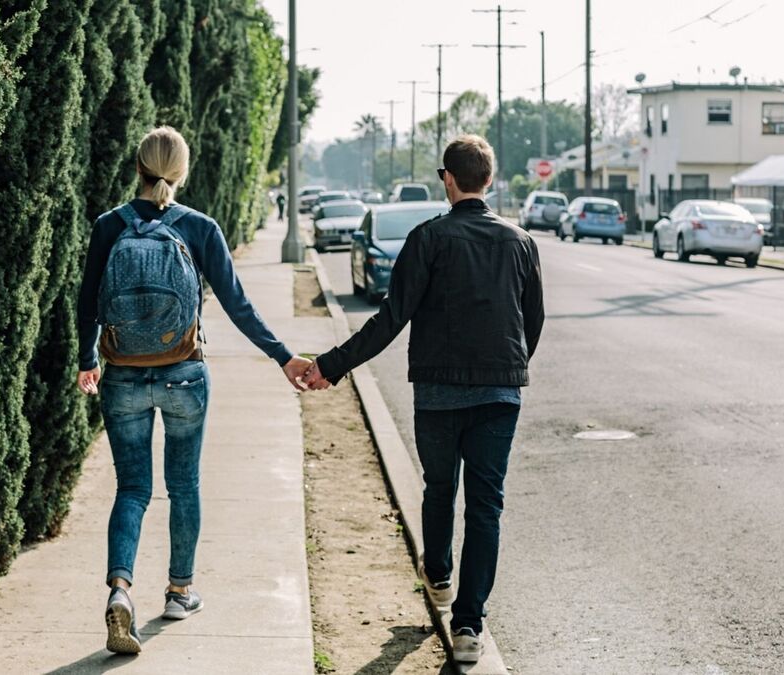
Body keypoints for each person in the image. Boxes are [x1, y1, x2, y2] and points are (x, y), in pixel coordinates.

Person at [303, 134, 544, 664]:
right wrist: (507, 367)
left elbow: (391, 320)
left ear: (448, 179)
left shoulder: (428, 239)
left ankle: (437, 575)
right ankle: (468, 627)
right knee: (487, 506)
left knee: (439, 488)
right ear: (489, 179)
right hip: (501, 393)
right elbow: (534, 322)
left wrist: (330, 365)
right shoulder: (521, 242)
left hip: (438, 392)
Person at [76, 126, 313, 654]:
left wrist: (86, 358)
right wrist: (282, 356)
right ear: (182, 173)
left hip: (123, 377)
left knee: (132, 489)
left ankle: (120, 591)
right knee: (183, 485)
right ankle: (180, 591)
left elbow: (87, 301)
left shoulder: (109, 226)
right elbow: (237, 304)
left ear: (137, 167)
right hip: (184, 373)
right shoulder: (200, 228)